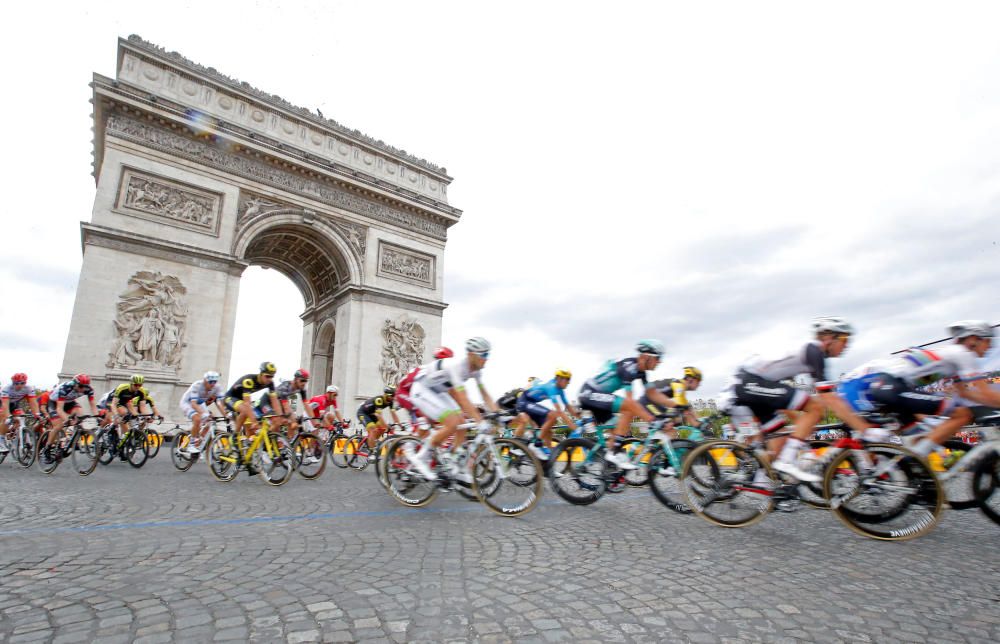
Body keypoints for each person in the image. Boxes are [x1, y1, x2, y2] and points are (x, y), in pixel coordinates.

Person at [718, 317, 873, 482]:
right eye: (844, 339)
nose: (846, 345)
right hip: (747, 382)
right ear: (829, 337)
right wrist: (866, 429)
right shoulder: (814, 350)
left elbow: (787, 400)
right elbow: (827, 398)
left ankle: (763, 486)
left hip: (754, 385)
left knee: (779, 440)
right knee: (816, 407)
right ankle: (786, 462)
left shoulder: (809, 355)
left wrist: (803, 424)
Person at [838, 320, 1000, 458]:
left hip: (886, 387)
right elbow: (986, 394)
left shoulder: (950, 355)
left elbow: (966, 393)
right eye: (988, 341)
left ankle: (907, 472)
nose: (990, 347)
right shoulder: (962, 354)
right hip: (892, 386)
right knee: (962, 414)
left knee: (918, 433)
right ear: (974, 339)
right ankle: (914, 459)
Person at [407, 337, 498, 481]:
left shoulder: (476, 371)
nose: (486, 359)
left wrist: (498, 413)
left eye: (488, 354)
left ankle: (453, 463)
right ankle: (421, 458)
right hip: (421, 389)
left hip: (438, 391)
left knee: (462, 423)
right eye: (484, 355)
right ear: (471, 355)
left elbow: (485, 395)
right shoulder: (457, 366)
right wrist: (480, 422)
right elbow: (462, 398)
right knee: (453, 422)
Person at [577, 340, 675, 470]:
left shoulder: (641, 372)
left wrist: (677, 405)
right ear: (646, 357)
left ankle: (610, 473)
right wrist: (653, 420)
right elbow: (630, 402)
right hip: (589, 393)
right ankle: (615, 452)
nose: (660, 362)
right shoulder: (629, 367)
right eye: (658, 358)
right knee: (629, 408)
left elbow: (652, 393)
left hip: (599, 398)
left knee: (617, 429)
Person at [514, 369, 579, 459]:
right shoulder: (551, 387)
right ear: (559, 379)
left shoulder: (560, 390)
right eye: (567, 380)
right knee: (552, 415)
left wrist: (579, 417)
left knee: (548, 430)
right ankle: (535, 444)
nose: (569, 383)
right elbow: (559, 411)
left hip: (532, 403)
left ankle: (548, 458)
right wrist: (574, 427)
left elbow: (568, 406)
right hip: (524, 401)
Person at [396, 347, 453, 434]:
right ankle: (411, 443)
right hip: (404, 392)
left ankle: (418, 437)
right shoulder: (429, 370)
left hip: (413, 392)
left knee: (432, 420)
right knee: (423, 418)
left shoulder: (436, 370)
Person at [223, 362, 280, 439]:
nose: (269, 379)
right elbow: (247, 403)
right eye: (267, 376)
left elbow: (275, 401)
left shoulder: (270, 383)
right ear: (261, 374)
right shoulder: (249, 380)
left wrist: (279, 416)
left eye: (272, 377)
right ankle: (234, 436)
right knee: (245, 410)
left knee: (250, 431)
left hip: (242, 401)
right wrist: (254, 422)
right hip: (230, 398)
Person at [638, 366, 703, 429]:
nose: (699, 384)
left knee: (675, 423)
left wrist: (700, 421)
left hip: (653, 402)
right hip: (648, 401)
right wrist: (698, 425)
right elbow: (683, 407)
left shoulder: (680, 386)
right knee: (669, 424)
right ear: (690, 379)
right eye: (698, 381)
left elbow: (688, 407)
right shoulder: (679, 386)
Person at [46, 374, 99, 449]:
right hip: (54, 403)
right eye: (81, 386)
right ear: (75, 384)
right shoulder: (65, 388)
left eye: (86, 386)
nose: (83, 389)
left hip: (69, 402)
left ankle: (74, 439)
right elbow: (59, 409)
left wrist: (97, 417)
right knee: (59, 425)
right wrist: (67, 420)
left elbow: (93, 405)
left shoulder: (88, 389)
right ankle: (47, 448)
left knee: (80, 415)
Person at [178, 371, 226, 453]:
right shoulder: (197, 385)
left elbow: (219, 403)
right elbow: (193, 404)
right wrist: (203, 413)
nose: (212, 384)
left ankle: (198, 444)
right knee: (197, 419)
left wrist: (226, 415)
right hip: (188, 403)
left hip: (200, 404)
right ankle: (191, 444)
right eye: (210, 382)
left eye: (215, 382)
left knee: (209, 423)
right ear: (205, 381)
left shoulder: (217, 387)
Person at [257, 369, 312, 440]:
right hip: (267, 401)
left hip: (279, 403)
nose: (304, 383)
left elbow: (306, 405)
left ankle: (288, 446)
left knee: (291, 423)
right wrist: (294, 420)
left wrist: (314, 421)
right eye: (302, 380)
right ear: (295, 379)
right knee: (277, 421)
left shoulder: (302, 389)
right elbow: (286, 407)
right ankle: (265, 441)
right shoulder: (285, 387)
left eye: (306, 381)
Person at [0, 373, 42, 453]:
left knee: (21, 417)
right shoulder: (6, 388)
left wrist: (37, 414)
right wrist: (8, 416)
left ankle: (13, 432)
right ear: (13, 383)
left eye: (22, 383)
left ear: (25, 383)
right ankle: (1, 440)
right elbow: (5, 405)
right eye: (16, 383)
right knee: (5, 418)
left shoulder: (29, 388)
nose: (19, 385)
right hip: (3, 403)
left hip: (14, 404)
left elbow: (33, 403)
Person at [356, 386, 402, 456]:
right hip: (363, 413)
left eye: (394, 395)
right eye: (392, 395)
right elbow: (379, 416)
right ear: (386, 395)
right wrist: (387, 426)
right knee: (373, 429)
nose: (393, 397)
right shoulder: (379, 399)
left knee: (382, 428)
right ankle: (371, 451)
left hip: (372, 414)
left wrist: (399, 424)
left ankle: (372, 442)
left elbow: (393, 414)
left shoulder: (390, 402)